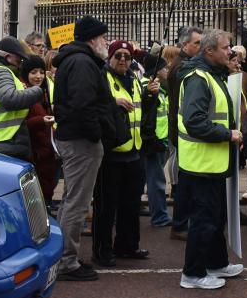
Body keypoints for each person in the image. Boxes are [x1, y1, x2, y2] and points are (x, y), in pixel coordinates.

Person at [177, 29, 244, 289]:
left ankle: (217, 263)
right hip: (200, 163)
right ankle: (192, 274)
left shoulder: (212, 75)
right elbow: (194, 122)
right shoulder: (198, 78)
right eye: (226, 47)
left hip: (212, 161)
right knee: (204, 220)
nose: (231, 51)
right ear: (209, 51)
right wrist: (228, 134)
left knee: (215, 218)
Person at [52, 15, 114, 282]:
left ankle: (64, 254)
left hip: (76, 137)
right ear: (92, 39)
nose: (106, 42)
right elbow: (83, 105)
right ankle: (66, 261)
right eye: (103, 37)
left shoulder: (79, 60)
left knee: (71, 201)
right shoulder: (82, 63)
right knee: (77, 203)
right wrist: (96, 133)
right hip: (81, 141)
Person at [92, 39, 153, 267]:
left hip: (134, 151)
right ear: (110, 57)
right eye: (118, 56)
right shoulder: (102, 78)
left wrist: (150, 96)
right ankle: (102, 251)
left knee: (131, 204)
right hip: (111, 153)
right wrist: (112, 101)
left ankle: (128, 245)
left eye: (127, 57)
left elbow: (140, 111)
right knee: (106, 207)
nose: (123, 61)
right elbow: (94, 105)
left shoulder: (134, 79)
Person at [167, 26, 203, 241]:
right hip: (183, 131)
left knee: (188, 180)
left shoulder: (185, 64)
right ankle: (180, 224)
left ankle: (183, 222)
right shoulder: (182, 67)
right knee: (186, 181)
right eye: (197, 43)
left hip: (183, 130)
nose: (200, 46)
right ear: (184, 44)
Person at [21, 55, 58, 205]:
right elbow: (23, 123)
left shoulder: (44, 92)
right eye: (34, 72)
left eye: (41, 72)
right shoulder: (23, 92)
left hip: (48, 153)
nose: (38, 76)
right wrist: (41, 121)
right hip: (35, 154)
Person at [141, 54, 171, 227]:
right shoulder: (148, 87)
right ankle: (159, 216)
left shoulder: (158, 86)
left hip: (159, 139)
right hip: (153, 140)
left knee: (148, 177)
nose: (167, 70)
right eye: (164, 67)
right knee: (156, 180)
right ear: (156, 71)